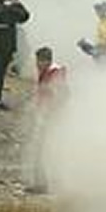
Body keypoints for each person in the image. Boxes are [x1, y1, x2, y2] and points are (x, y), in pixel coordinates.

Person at [28, 47, 68, 193]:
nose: (37, 64)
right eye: (37, 61)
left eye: (40, 61)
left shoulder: (56, 74)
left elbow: (61, 95)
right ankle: (42, 182)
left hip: (51, 118)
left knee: (44, 150)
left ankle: (44, 184)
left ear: (47, 61)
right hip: (45, 115)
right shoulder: (47, 72)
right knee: (42, 150)